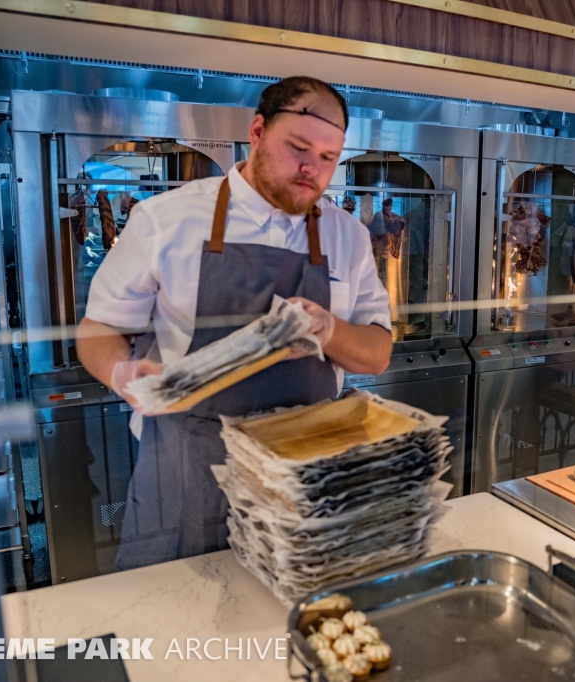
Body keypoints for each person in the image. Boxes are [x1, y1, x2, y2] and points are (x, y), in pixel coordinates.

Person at [76, 76, 393, 571]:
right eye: (298, 147)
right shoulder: (167, 219)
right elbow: (99, 330)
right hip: (189, 472)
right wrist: (120, 372)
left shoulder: (348, 236)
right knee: (175, 627)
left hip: (300, 474)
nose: (312, 168)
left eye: (329, 157)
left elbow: (376, 353)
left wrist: (329, 330)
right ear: (258, 131)